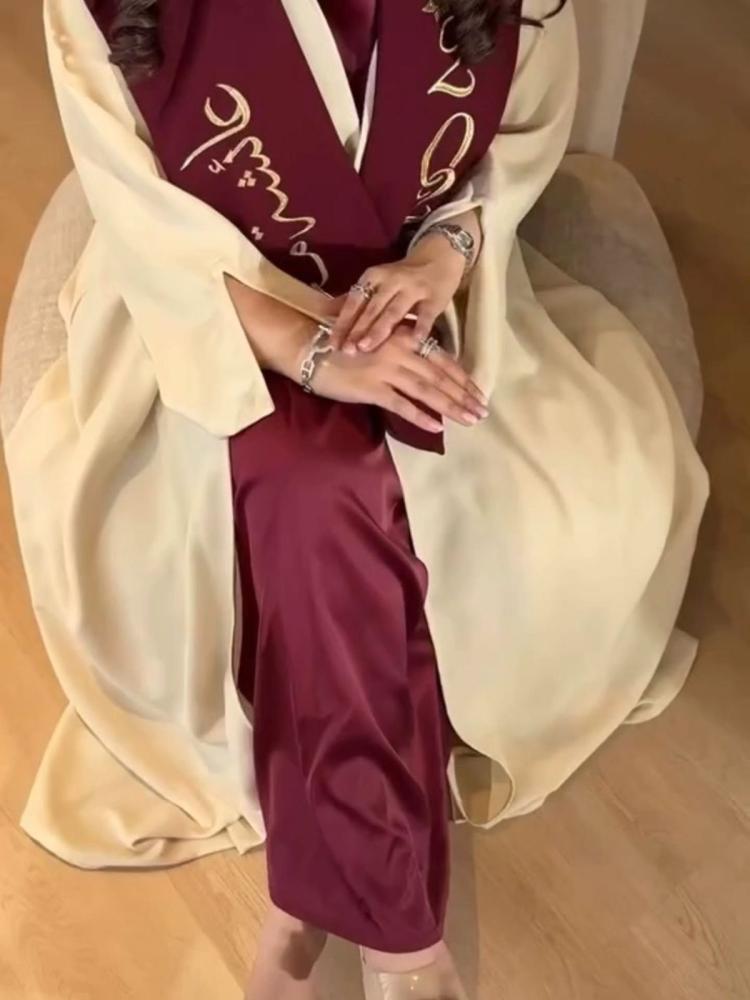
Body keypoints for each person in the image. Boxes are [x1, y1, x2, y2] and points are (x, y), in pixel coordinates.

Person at [3, 1, 708, 997]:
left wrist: (443, 254)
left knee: (331, 491)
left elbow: (523, 121)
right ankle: (404, 945)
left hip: (420, 287)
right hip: (215, 302)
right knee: (313, 481)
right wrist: (308, 349)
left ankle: (308, 901)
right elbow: (133, 205)